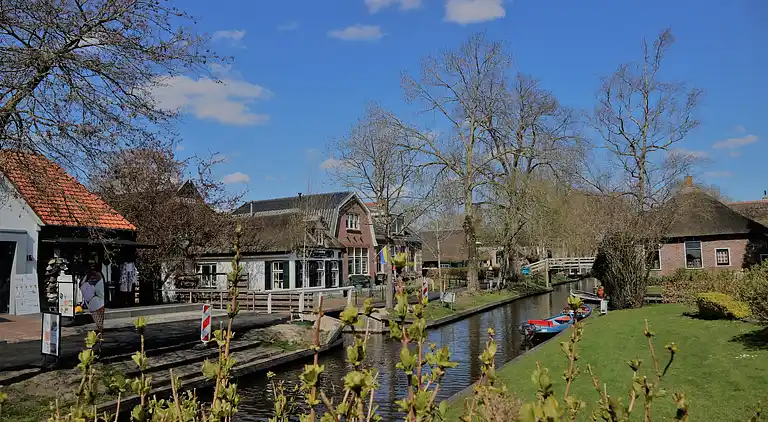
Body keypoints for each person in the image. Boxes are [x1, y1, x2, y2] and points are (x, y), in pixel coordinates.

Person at [79, 269, 106, 354]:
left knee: (99, 327)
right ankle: (97, 347)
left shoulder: (91, 284)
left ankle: (97, 347)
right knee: (99, 327)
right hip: (96, 306)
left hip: (97, 306)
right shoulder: (89, 285)